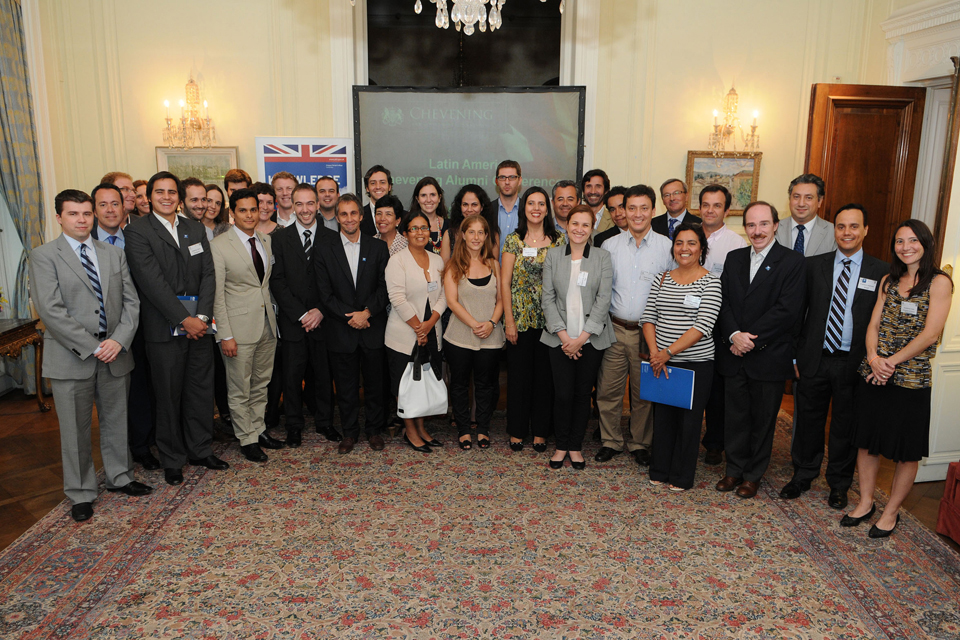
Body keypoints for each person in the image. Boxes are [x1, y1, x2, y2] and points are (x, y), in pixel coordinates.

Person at [30, 189, 151, 522]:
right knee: (75, 430)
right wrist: (92, 345)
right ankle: (81, 492)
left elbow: (131, 302)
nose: (82, 220)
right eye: (73, 214)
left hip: (115, 353)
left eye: (86, 213)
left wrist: (119, 340)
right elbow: (51, 311)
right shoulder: (44, 256)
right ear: (59, 217)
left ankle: (120, 477)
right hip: (73, 357)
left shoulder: (112, 254)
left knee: (116, 421)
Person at [842, 220, 952, 538]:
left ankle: (890, 512)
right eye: (900, 241)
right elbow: (873, 324)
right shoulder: (889, 280)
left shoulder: (939, 282)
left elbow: (931, 334)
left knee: (905, 449)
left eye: (913, 240)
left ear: (926, 243)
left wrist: (890, 362)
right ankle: (865, 502)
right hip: (875, 374)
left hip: (911, 379)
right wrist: (875, 358)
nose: (905, 247)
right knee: (867, 442)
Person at [124, 172, 229, 486]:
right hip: (163, 328)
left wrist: (201, 316)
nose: (166, 197)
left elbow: (209, 275)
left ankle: (200, 449)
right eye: (160, 192)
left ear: (179, 197)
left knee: (199, 391)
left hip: (199, 326)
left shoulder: (194, 228)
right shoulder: (138, 231)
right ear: (150, 196)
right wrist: (184, 319)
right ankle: (172, 459)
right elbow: (151, 282)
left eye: (172, 192)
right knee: (168, 397)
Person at [781, 204, 887, 509]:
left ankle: (839, 484)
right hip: (814, 357)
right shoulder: (813, 265)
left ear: (866, 230)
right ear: (834, 230)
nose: (847, 233)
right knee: (808, 421)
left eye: (854, 226)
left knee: (845, 425)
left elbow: (880, 322)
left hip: (853, 363)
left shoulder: (880, 272)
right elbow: (798, 314)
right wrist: (794, 357)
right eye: (841, 226)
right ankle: (802, 474)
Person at [715, 201, 806, 499]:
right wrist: (733, 336)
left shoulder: (792, 262)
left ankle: (753, 475)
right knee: (735, 416)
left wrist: (750, 339)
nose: (757, 231)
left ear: (776, 225)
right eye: (751, 225)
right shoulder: (734, 258)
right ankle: (734, 470)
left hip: (768, 355)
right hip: (734, 353)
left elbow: (787, 311)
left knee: (763, 420)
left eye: (763, 224)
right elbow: (723, 302)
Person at [594, 185, 673, 466]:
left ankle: (640, 443)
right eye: (631, 208)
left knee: (643, 393)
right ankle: (611, 441)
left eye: (643, 208)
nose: (637, 214)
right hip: (614, 328)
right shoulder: (609, 246)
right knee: (608, 390)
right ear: (623, 212)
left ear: (653, 210)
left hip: (648, 333)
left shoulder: (667, 247)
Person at [641, 223, 722, 490]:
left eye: (691, 243)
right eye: (679, 243)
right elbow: (648, 317)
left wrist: (667, 353)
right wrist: (655, 353)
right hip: (660, 361)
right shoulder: (662, 278)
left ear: (701, 248)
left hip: (695, 363)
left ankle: (681, 476)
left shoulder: (711, 280)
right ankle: (660, 469)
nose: (684, 248)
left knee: (689, 422)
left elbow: (703, 325)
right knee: (663, 418)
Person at [210, 188, 282, 461]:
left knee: (261, 383)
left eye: (254, 209)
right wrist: (224, 334)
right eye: (243, 210)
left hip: (267, 324)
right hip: (237, 330)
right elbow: (217, 295)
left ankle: (259, 428)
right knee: (239, 387)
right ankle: (247, 438)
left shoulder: (265, 240)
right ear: (232, 213)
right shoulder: (219, 245)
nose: (250, 214)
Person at [541, 205, 614, 470]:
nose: (579, 229)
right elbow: (547, 300)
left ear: (592, 227)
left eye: (585, 224)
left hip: (591, 340)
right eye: (575, 223)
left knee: (583, 394)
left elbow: (603, 300)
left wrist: (581, 339)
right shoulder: (552, 256)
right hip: (558, 338)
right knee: (562, 395)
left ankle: (575, 445)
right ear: (566, 225)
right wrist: (564, 338)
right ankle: (561, 446)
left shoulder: (602, 258)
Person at [315, 193, 390, 454]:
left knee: (374, 385)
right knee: (345, 387)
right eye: (343, 214)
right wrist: (353, 317)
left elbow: (384, 288)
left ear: (361, 216)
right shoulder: (324, 250)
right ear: (337, 218)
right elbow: (324, 295)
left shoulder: (378, 247)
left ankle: (374, 430)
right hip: (340, 330)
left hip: (372, 328)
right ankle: (349, 433)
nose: (349, 219)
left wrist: (366, 313)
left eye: (353, 213)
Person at [270, 183, 341, 447]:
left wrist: (321, 311)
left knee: (323, 375)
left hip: (324, 320)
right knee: (291, 376)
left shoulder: (333, 238)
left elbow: (337, 281)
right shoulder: (279, 239)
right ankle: (294, 425)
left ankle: (325, 423)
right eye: (299, 204)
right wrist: (301, 314)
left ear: (318, 204)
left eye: (310, 203)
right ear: (290, 204)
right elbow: (277, 282)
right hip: (293, 321)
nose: (305, 210)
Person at [501, 186, 566, 452]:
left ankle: (540, 431)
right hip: (520, 320)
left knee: (545, 379)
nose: (536, 208)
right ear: (523, 208)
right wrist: (509, 321)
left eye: (541, 204)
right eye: (531, 203)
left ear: (547, 208)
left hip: (551, 322)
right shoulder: (513, 240)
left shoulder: (559, 240)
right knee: (519, 378)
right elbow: (505, 283)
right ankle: (517, 430)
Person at [385, 211, 447, 453]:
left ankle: (421, 428)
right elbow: (397, 298)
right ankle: (410, 431)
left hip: (432, 332)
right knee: (405, 386)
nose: (420, 232)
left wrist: (429, 324)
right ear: (405, 233)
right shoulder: (397, 260)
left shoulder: (438, 260)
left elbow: (443, 296)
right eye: (414, 228)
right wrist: (418, 327)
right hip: (403, 336)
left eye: (424, 228)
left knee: (423, 385)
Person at [444, 215, 505, 450]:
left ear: (487, 236)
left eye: (481, 232)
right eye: (472, 232)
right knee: (459, 385)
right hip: (459, 337)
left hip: (490, 336)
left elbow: (501, 299)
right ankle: (462, 430)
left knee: (486, 386)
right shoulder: (453, 265)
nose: (476, 237)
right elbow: (452, 301)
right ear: (463, 235)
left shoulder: (494, 264)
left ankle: (483, 429)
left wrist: (490, 322)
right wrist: (475, 324)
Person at [698, 184, 748, 466]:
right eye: (705, 204)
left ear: (727, 211)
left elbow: (738, 292)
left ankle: (714, 442)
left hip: (720, 326)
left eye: (717, 205)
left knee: (718, 389)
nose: (710, 210)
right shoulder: (688, 237)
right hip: (688, 323)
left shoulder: (737, 243)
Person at [775, 173, 836, 257]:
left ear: (819, 201)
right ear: (790, 199)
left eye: (808, 198)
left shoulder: (833, 232)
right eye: (796, 197)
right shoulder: (774, 229)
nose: (801, 203)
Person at [441, 184, 499, 263]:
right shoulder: (449, 235)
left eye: (474, 205)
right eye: (465, 205)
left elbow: (493, 267)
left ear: (482, 207)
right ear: (460, 207)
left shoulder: (492, 234)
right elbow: (444, 268)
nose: (469, 209)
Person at [408, 176, 449, 255]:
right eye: (423, 195)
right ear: (417, 199)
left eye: (432, 195)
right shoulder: (407, 225)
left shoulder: (449, 226)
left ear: (439, 198)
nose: (429, 200)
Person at [494, 160, 523, 254]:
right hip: (492, 267)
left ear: (519, 181)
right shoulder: (487, 210)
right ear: (496, 181)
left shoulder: (528, 210)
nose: (507, 182)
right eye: (502, 177)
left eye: (512, 177)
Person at [361, 165, 392, 237]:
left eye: (382, 182)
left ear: (389, 187)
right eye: (373, 183)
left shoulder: (404, 216)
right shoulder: (359, 216)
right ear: (367, 188)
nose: (378, 187)